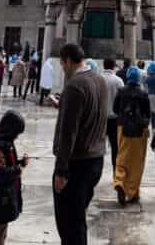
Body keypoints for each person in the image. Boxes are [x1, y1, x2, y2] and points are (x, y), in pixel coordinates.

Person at [51, 43, 107, 245]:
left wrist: (61, 171)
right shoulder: (100, 80)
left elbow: (68, 133)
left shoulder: (74, 86)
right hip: (95, 160)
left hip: (76, 164)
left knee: (70, 226)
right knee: (77, 218)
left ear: (67, 60)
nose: (63, 69)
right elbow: (91, 116)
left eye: (62, 65)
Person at [0, 110, 28, 245]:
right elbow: (0, 175)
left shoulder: (5, 144)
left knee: (0, 235)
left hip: (3, 200)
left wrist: (19, 162)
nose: (17, 137)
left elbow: (7, 164)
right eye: (16, 133)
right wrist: (18, 169)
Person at [112, 66, 150, 206]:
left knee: (122, 156)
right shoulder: (143, 93)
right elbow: (147, 114)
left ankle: (120, 181)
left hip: (123, 127)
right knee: (137, 162)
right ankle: (133, 192)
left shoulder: (121, 91)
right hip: (139, 131)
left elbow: (115, 109)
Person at [100, 58, 124, 171]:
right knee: (115, 146)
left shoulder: (98, 79)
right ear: (114, 66)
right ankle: (116, 171)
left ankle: (96, 170)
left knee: (98, 145)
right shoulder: (118, 81)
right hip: (114, 119)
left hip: (100, 118)